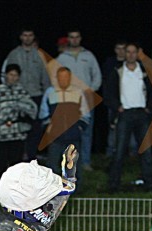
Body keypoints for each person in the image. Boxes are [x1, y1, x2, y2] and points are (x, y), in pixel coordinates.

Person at [104, 43, 152, 192]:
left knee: (146, 151)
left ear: (138, 53)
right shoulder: (118, 71)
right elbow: (108, 93)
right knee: (119, 151)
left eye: (134, 52)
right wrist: (117, 107)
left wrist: (149, 108)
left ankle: (149, 183)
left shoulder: (145, 71)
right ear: (124, 54)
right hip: (125, 114)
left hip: (142, 114)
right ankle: (113, 184)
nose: (131, 55)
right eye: (129, 52)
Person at [0, 28, 51, 160]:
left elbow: (45, 76)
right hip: (19, 96)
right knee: (19, 127)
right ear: (21, 37)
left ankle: (31, 155)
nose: (27, 38)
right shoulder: (14, 54)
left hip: (36, 95)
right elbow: (8, 75)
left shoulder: (40, 55)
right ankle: (18, 156)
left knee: (36, 129)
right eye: (25, 35)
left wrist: (46, 96)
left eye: (30, 35)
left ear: (33, 37)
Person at [56, 29, 101, 170]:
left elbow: (97, 75)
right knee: (67, 131)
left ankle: (85, 161)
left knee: (86, 131)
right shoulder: (62, 58)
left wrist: (90, 90)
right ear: (68, 39)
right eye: (71, 37)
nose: (74, 40)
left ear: (80, 38)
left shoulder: (89, 56)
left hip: (86, 99)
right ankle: (68, 162)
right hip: (68, 100)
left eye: (76, 37)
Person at [39, 67, 89, 181]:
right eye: (61, 77)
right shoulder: (50, 92)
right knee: (52, 166)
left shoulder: (78, 92)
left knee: (73, 166)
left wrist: (79, 127)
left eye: (66, 77)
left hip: (73, 136)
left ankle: (75, 192)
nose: (63, 80)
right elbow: (43, 113)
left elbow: (85, 113)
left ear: (70, 78)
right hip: (55, 137)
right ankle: (53, 192)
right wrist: (49, 128)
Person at [0, 64, 37, 188]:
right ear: (6, 75)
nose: (13, 77)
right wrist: (15, 106)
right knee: (0, 164)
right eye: (11, 74)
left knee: (17, 165)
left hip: (17, 135)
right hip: (1, 135)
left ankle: (15, 190)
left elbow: (32, 110)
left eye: (15, 75)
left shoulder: (22, 91)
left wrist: (11, 107)